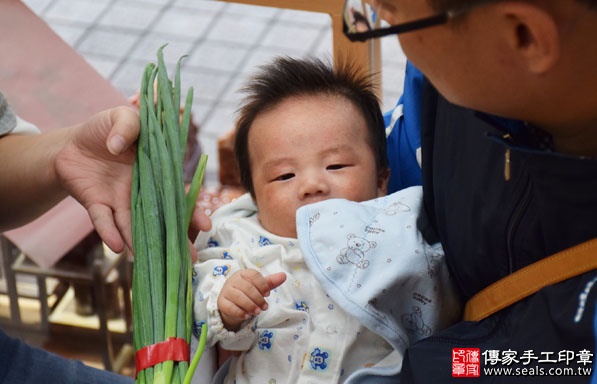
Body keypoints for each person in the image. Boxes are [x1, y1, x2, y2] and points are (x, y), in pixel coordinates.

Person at [342, 0, 597, 382]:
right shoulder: (459, 74)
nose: (383, 19)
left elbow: (520, 365)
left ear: (523, 35)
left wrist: (428, 367)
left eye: (389, 9)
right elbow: (398, 157)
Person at [191, 56, 460, 383]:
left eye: (336, 166)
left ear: (381, 180)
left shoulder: (397, 228)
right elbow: (199, 301)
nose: (311, 185)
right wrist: (227, 302)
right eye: (284, 175)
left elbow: (440, 311)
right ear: (254, 196)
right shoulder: (239, 238)